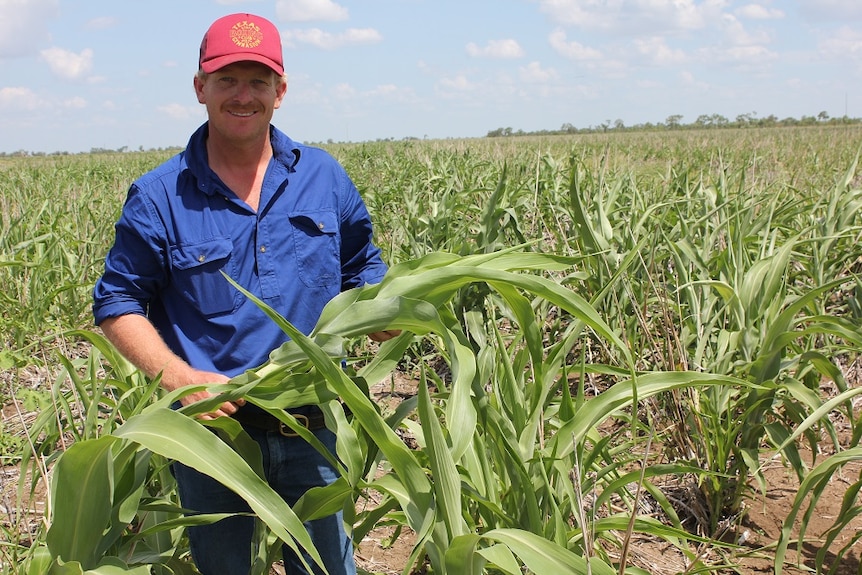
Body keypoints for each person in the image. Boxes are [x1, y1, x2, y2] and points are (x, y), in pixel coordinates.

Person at [93, 12, 398, 575]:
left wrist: (391, 314)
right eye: (227, 78)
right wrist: (179, 378)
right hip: (214, 433)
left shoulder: (324, 178)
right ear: (200, 88)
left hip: (315, 427)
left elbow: (363, 273)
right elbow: (116, 304)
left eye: (258, 81)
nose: (243, 95)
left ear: (280, 92)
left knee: (327, 568)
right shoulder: (160, 196)